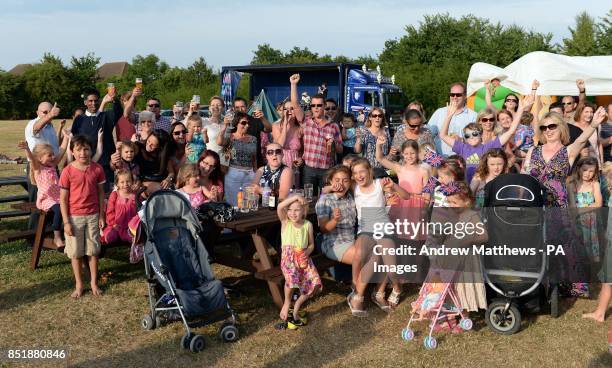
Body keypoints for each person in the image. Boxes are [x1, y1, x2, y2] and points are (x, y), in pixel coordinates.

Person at [347, 158, 407, 315]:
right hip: (365, 230)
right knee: (362, 254)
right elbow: (336, 182)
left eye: (362, 171)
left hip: (383, 228)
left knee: (392, 269)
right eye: (355, 173)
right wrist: (327, 189)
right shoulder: (354, 186)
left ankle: (397, 288)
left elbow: (406, 196)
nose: (359, 175)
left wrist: (393, 185)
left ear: (369, 171)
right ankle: (357, 294)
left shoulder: (380, 183)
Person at [440, 96, 531, 183]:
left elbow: (511, 131)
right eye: (467, 135)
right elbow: (443, 135)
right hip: (468, 187)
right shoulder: (462, 147)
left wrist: (520, 109)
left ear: (480, 133)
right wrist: (448, 117)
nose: (471, 136)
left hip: (484, 186)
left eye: (474, 134)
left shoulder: (488, 147)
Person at [59, 135, 106, 298]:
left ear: (91, 150)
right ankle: (79, 284)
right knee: (76, 253)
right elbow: (63, 199)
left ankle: (93, 283)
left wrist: (101, 215)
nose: (83, 153)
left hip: (93, 216)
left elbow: (101, 195)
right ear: (72, 151)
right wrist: (66, 222)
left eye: (86, 149)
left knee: (93, 251)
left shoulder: (97, 169)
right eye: (78, 149)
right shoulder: (67, 171)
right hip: (74, 217)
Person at [18, 134, 70, 249]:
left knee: (70, 206)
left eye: (52, 155)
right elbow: (31, 158)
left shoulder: (52, 165)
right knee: (59, 209)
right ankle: (57, 236)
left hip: (58, 197)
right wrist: (27, 149)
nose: (52, 157)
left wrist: (66, 138)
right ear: (40, 158)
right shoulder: (38, 168)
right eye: (49, 155)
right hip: (46, 199)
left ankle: (72, 233)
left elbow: (61, 151)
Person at [277, 194, 321, 328]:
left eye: (296, 210)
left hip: (302, 258)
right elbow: (280, 206)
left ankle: (296, 307)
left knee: (315, 284)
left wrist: (306, 253)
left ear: (304, 211)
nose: (292, 213)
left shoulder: (308, 225)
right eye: (289, 209)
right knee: (291, 280)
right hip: (289, 260)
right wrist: (296, 196)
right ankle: (286, 303)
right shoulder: (286, 223)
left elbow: (311, 245)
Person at [71, 88, 122, 192]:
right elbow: (75, 142)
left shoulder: (106, 116)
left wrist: (114, 99)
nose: (93, 103)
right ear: (85, 102)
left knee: (106, 194)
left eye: (96, 100)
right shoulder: (79, 119)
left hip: (105, 165)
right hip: (86, 164)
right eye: (90, 101)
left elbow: (119, 111)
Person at [302, 93, 343, 195]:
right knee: (308, 198)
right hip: (309, 169)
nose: (316, 108)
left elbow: (340, 150)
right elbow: (295, 106)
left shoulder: (334, 126)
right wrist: (293, 84)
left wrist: (333, 143)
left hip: (327, 169)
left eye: (319, 105)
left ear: (324, 106)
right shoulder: (306, 123)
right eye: (313, 105)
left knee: (326, 199)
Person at [217, 112, 257, 206]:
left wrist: (255, 173)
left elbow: (254, 157)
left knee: (249, 204)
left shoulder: (253, 139)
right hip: (233, 173)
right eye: (243, 123)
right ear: (236, 123)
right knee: (233, 204)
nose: (247, 125)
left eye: (247, 123)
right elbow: (219, 142)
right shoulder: (230, 137)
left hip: (250, 174)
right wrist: (225, 126)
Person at [428, 82, 477, 157]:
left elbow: (477, 140)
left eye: (458, 95)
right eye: (452, 94)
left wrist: (461, 140)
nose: (455, 97)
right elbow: (427, 134)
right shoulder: (439, 112)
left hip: (462, 159)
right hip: (440, 159)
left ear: (465, 96)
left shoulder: (473, 116)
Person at [567, 157, 602, 262]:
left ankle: (591, 271)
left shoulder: (595, 184)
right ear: (579, 169)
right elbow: (573, 208)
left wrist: (580, 209)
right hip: (577, 221)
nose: (587, 173)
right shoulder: (572, 184)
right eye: (585, 169)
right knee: (579, 247)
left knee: (591, 250)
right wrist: (590, 206)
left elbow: (599, 203)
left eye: (591, 171)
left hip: (592, 221)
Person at [272, 74, 304, 184]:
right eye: (286, 109)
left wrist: (300, 158)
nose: (289, 111)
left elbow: (302, 150)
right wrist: (285, 124)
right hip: (281, 165)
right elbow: (279, 145)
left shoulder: (300, 128)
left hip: (295, 168)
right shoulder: (276, 126)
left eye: (292, 109)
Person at [233, 97, 272, 167]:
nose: (240, 109)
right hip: (236, 163)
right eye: (237, 107)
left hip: (255, 161)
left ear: (247, 107)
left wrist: (262, 118)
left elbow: (269, 129)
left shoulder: (255, 120)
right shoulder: (231, 122)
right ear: (233, 109)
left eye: (242, 107)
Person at [102, 170, 136, 244]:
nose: (126, 184)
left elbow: (139, 212)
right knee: (110, 238)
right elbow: (110, 211)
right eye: (122, 182)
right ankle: (106, 234)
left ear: (132, 182)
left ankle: (126, 236)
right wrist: (113, 223)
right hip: (116, 226)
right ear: (117, 184)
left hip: (129, 226)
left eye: (128, 181)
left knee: (132, 238)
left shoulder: (135, 196)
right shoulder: (115, 195)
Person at [354, 107, 390, 172]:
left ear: (382, 118)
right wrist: (358, 139)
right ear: (370, 118)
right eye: (374, 116)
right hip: (368, 169)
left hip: (384, 169)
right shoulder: (363, 130)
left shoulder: (386, 131)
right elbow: (357, 151)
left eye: (380, 115)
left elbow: (389, 150)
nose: (377, 118)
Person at [572, 102, 603, 166]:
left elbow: (599, 144)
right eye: (586, 112)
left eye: (591, 112)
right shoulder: (573, 127)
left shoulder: (597, 126)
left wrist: (601, 162)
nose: (589, 115)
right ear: (580, 112)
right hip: (579, 165)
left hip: (596, 164)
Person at [203, 96, 227, 167]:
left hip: (222, 161)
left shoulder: (227, 124)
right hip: (208, 160)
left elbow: (226, 145)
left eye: (218, 105)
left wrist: (225, 162)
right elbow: (186, 125)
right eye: (213, 105)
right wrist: (191, 111)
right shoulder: (204, 121)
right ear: (209, 108)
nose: (215, 107)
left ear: (223, 108)